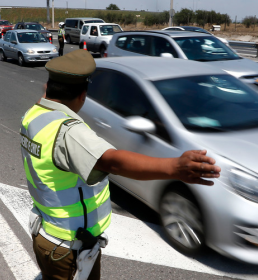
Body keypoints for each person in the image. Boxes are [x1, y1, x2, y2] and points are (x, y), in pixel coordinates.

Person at [20, 49, 221, 280]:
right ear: (82, 95)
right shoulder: (68, 133)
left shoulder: (34, 115)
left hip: (47, 234)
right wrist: (174, 167)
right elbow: (112, 161)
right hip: (69, 247)